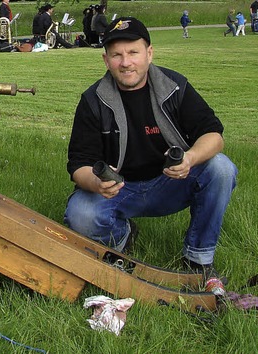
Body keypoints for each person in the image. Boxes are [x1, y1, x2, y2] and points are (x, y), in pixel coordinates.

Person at [64, 17, 237, 284]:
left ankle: (198, 258)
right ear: (105, 60)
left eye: (133, 52)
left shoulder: (175, 86)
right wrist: (97, 182)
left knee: (221, 169)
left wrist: (189, 158)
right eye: (116, 55)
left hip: (171, 181)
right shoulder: (92, 100)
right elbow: (78, 164)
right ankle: (122, 237)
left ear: (149, 53)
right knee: (80, 213)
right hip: (120, 190)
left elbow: (213, 135)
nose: (126, 62)